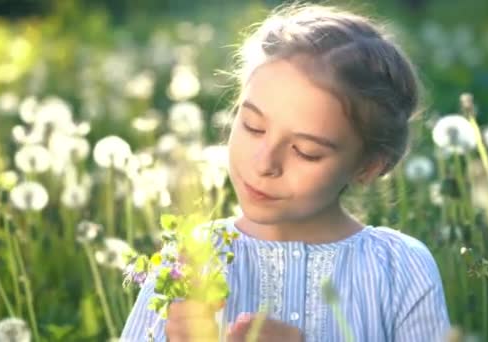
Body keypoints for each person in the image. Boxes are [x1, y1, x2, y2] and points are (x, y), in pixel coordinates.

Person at [121, 3, 450, 341]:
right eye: (253, 127)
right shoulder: (189, 262)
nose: (264, 163)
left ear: (367, 166)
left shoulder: (401, 270)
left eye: (305, 151)